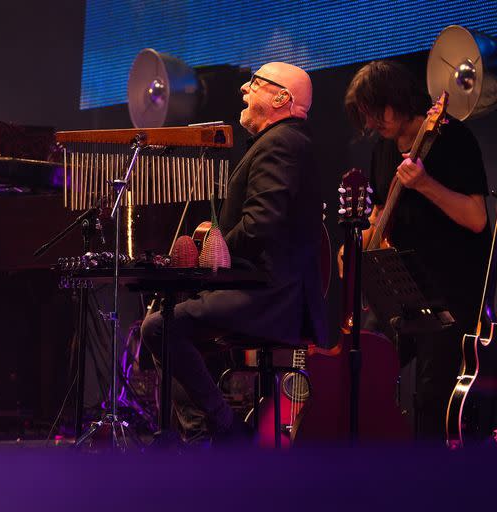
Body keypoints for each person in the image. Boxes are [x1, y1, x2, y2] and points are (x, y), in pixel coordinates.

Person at [140, 62, 327, 443]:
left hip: (271, 297)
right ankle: (205, 435)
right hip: (267, 290)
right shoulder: (283, 142)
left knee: (160, 326)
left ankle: (221, 430)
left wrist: (215, 244)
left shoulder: (282, 143)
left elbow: (261, 225)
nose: (244, 89)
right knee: (169, 317)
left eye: (255, 84)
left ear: (281, 98)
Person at [343, 60, 491, 441]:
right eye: (366, 115)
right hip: (402, 291)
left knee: (430, 395)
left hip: (449, 294)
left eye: (378, 111)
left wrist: (425, 184)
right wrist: (357, 247)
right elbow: (378, 215)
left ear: (399, 99)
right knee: (361, 368)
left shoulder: (450, 138)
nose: (373, 122)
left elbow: (476, 218)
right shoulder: (382, 150)